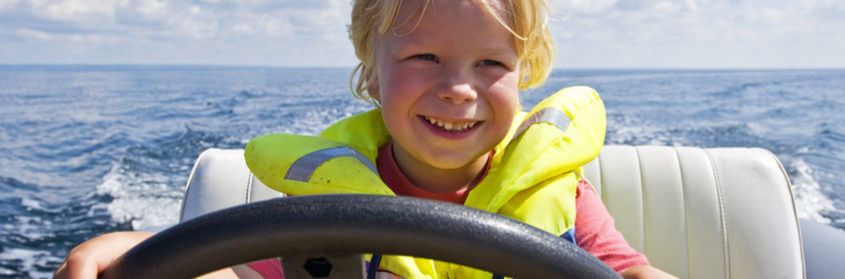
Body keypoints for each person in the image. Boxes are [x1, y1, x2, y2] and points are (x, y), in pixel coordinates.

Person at [55, 0, 675, 278]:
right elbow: (240, 275)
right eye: (426, 56)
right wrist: (138, 252)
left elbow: (629, 273)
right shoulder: (337, 200)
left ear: (526, 75)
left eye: (490, 65)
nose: (459, 89)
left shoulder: (558, 189)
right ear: (371, 70)